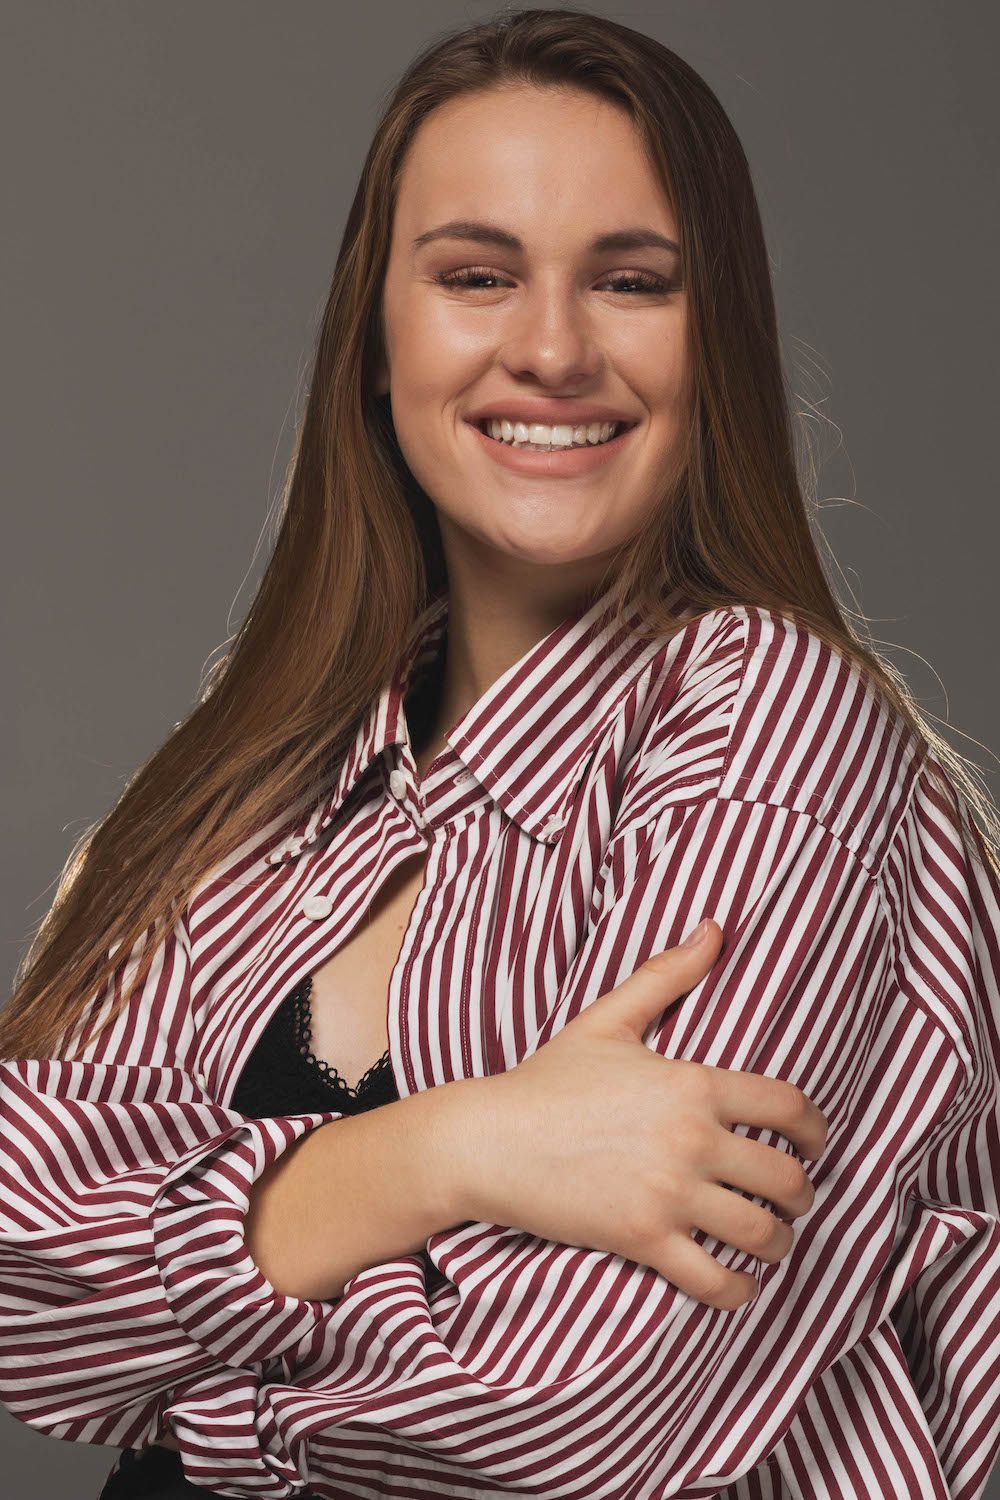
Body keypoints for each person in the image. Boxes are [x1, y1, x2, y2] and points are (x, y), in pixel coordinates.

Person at [2, 8, 998, 1499]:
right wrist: (448, 1152)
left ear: (716, 343)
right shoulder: (259, 792)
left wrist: (185, 1397)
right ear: (376, 340)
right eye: (476, 276)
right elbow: (13, 1275)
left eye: (631, 281)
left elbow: (584, 1405)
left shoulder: (776, 723)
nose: (550, 350)